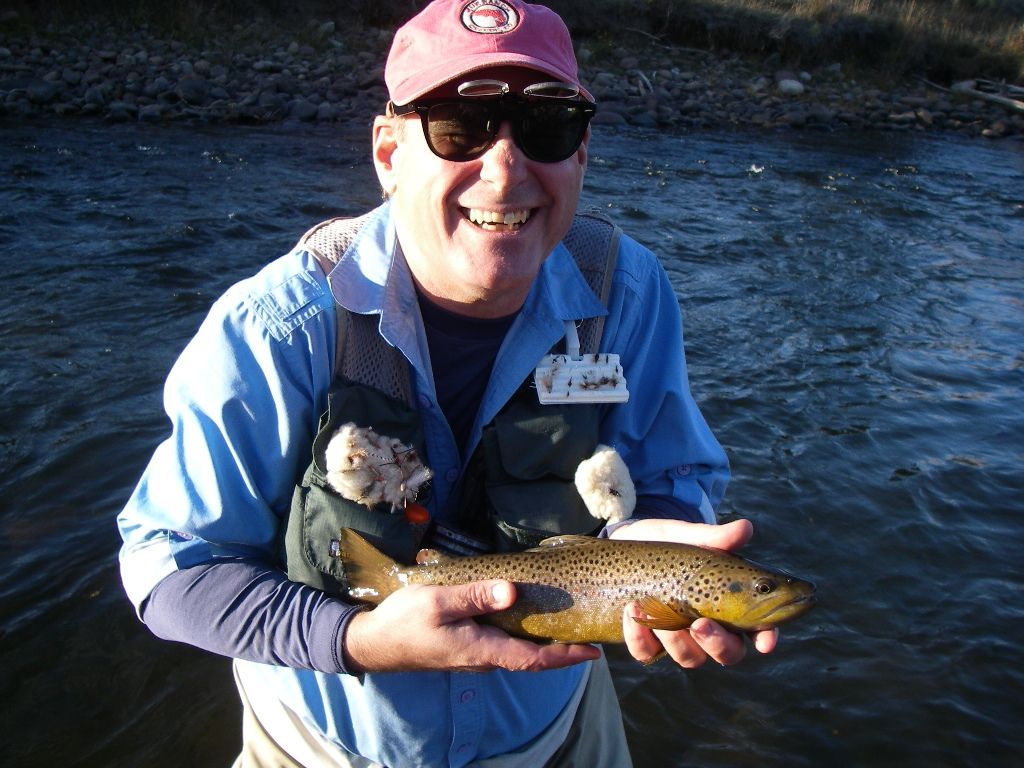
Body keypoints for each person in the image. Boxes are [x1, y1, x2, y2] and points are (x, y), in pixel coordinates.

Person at [117, 1, 779, 766]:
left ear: (583, 154)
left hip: (556, 738)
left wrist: (660, 543)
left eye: (547, 127)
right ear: (390, 153)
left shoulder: (628, 292)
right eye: (460, 127)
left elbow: (670, 479)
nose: (505, 168)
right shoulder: (278, 327)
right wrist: (354, 638)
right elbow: (168, 568)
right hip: (321, 748)